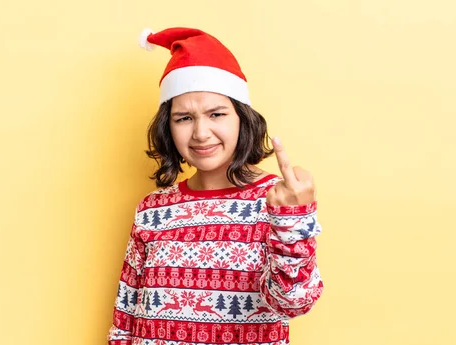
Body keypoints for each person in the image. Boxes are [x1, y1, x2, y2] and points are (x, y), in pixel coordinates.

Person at [107, 27, 323, 345]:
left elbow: (293, 302)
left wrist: (293, 220)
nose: (201, 133)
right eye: (183, 118)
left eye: (216, 114)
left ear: (242, 118)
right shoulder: (152, 209)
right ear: (168, 128)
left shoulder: (278, 200)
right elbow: (125, 320)